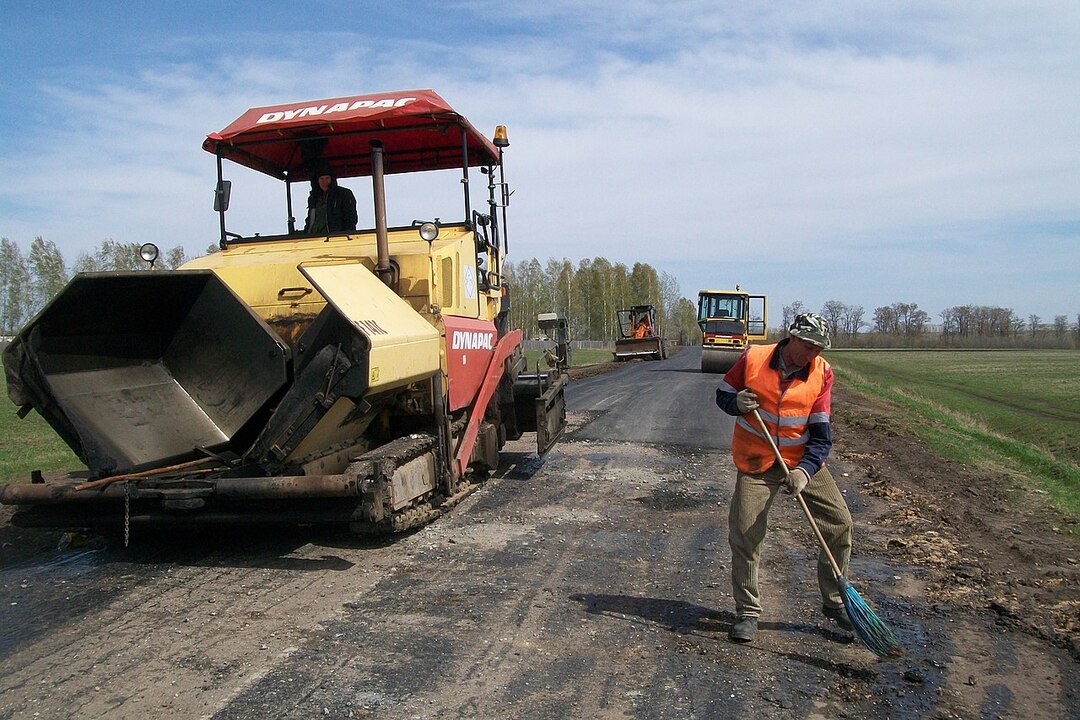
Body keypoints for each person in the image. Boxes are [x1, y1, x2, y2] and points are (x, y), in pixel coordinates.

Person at [714, 313, 854, 643]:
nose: (812, 355)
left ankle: (834, 602)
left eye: (818, 349)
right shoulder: (754, 357)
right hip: (756, 461)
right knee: (746, 533)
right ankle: (747, 612)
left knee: (840, 522)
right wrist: (735, 402)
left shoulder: (822, 374)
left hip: (800, 462)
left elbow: (821, 435)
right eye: (807, 346)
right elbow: (721, 393)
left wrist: (805, 472)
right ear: (791, 337)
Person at [303, 161, 358, 234]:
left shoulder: (343, 194)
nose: (324, 182)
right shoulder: (313, 198)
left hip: (335, 239)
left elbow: (350, 218)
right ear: (317, 181)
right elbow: (310, 220)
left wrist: (345, 237)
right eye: (321, 178)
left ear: (332, 179)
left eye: (327, 178)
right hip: (314, 238)